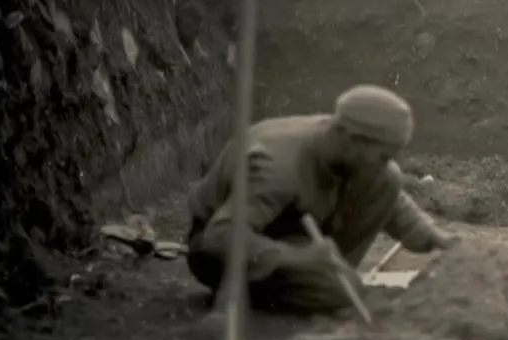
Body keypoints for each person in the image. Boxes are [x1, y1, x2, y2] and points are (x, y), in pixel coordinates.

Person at [185, 84, 457, 314]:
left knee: (388, 179)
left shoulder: (344, 146)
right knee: (341, 291)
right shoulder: (278, 166)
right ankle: (314, 285)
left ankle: (325, 278)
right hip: (221, 250)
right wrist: (298, 257)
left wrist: (433, 236)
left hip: (292, 236)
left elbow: (392, 198)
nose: (389, 163)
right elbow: (219, 236)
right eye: (384, 155)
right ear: (350, 139)